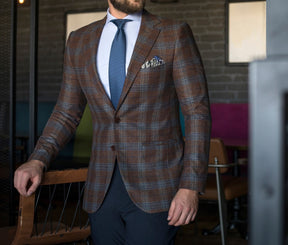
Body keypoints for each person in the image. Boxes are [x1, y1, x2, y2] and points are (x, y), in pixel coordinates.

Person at [13, 0, 211, 244]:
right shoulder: (79, 41)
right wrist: (37, 159)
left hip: (158, 186)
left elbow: (196, 112)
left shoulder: (173, 33)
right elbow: (66, 112)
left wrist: (190, 185)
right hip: (102, 188)